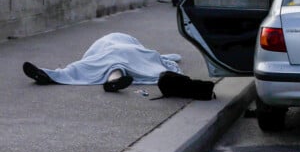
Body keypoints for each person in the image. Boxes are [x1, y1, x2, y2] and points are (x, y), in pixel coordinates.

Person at [22, 33, 182, 93]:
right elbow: (157, 56)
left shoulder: (108, 41)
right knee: (117, 67)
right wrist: (164, 58)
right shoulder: (134, 45)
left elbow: (89, 55)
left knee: (82, 67)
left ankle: (49, 74)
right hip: (126, 53)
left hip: (106, 52)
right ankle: (112, 82)